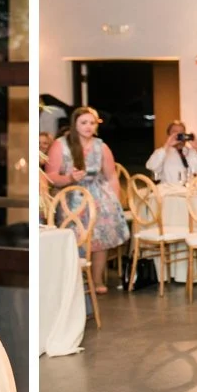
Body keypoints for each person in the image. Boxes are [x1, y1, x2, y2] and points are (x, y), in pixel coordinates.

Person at [46, 107, 131, 294]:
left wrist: (114, 201)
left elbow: (111, 177)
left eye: (92, 123)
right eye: (84, 122)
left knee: (100, 240)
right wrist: (69, 178)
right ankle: (75, 280)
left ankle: (96, 279)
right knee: (74, 238)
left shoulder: (102, 146)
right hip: (72, 197)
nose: (88, 126)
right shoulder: (61, 145)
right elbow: (50, 176)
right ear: (75, 124)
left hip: (99, 197)